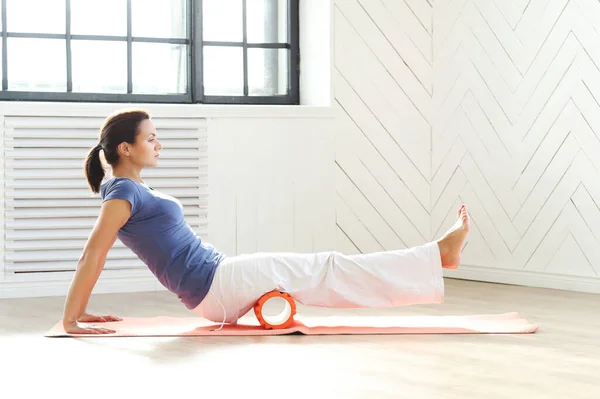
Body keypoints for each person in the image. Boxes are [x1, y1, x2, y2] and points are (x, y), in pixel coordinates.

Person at [61, 109, 470, 335]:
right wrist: (72, 318)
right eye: (151, 138)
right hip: (216, 285)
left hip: (217, 285)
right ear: (125, 148)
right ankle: (437, 256)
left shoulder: (134, 189)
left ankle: (431, 261)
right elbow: (91, 256)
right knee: (327, 268)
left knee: (320, 274)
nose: (158, 143)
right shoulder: (122, 192)